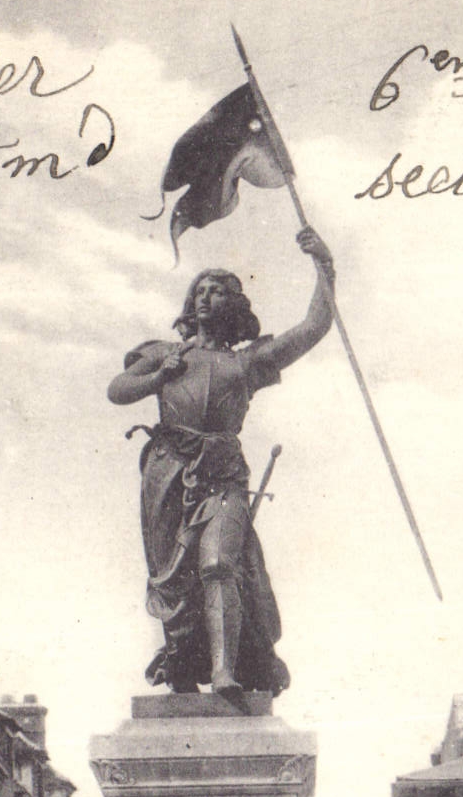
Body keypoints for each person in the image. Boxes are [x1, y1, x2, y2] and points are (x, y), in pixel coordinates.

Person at [108, 227, 336, 698]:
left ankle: (225, 671)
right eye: (201, 290)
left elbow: (312, 328)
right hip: (168, 472)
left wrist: (325, 267)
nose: (206, 297)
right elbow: (118, 390)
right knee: (172, 577)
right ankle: (180, 664)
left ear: (234, 305)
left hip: (223, 472)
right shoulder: (164, 353)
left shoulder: (248, 362)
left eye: (217, 291)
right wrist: (158, 378)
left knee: (217, 564)